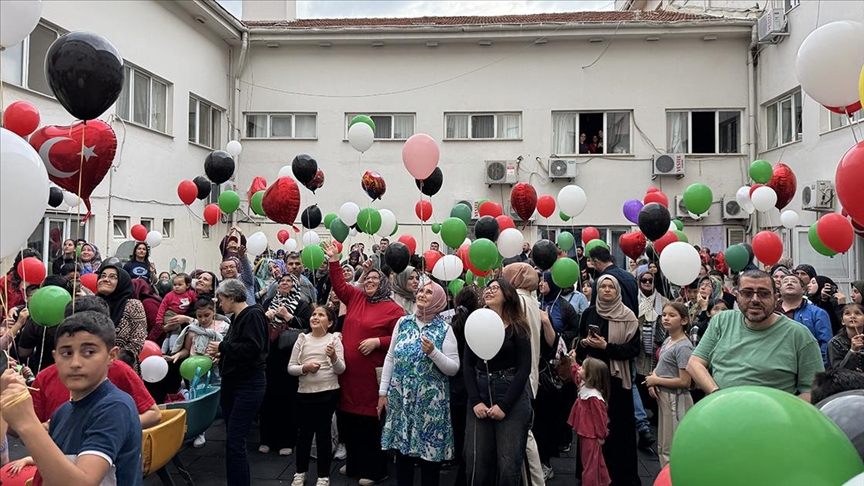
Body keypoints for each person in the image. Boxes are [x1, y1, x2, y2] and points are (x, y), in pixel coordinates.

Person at [1, 311, 143, 485]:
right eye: (67, 353)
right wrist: (7, 404)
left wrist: (27, 421)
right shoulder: (64, 410)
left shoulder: (115, 406)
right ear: (55, 357)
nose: (75, 363)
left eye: (89, 352)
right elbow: (43, 450)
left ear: (111, 355)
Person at [325, 241, 404, 486]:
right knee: (349, 420)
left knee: (370, 424)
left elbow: (400, 338)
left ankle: (375, 469)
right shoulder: (356, 297)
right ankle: (356, 463)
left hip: (372, 378)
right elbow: (339, 285)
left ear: (384, 283)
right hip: (348, 376)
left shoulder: (394, 310)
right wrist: (334, 260)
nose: (369, 282)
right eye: (367, 278)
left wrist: (378, 342)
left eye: (375, 279)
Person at [686, 270, 824, 403]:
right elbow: (694, 363)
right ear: (737, 297)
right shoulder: (722, 321)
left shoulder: (799, 335)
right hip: (722, 415)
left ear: (776, 298)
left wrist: (779, 413)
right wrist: (717, 395)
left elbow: (813, 391)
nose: (755, 300)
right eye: (747, 293)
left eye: (764, 294)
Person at [379, 280, 459, 486]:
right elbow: (390, 358)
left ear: (439, 299)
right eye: (421, 290)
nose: (422, 294)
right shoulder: (403, 323)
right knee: (403, 457)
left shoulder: (444, 329)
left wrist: (433, 353)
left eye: (429, 292)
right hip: (402, 399)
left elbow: (453, 368)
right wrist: (382, 392)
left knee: (429, 460)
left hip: (430, 405)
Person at [464, 278, 533, 486]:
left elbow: (524, 369)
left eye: (496, 288)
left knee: (508, 461)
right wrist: (475, 400)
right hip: (480, 391)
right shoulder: (475, 324)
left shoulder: (518, 327)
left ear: (507, 295)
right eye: (488, 288)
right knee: (476, 460)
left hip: (509, 392)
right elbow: (467, 365)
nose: (489, 291)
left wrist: (504, 405)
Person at [575, 274, 641, 486]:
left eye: (610, 287)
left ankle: (619, 475)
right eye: (602, 286)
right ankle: (589, 473)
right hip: (593, 380)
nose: (606, 290)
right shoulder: (589, 313)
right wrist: (585, 342)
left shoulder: (628, 316)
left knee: (617, 428)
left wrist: (607, 347)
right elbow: (578, 345)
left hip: (616, 381)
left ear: (617, 290)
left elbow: (633, 349)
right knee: (590, 429)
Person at [206, 279, 269, 486]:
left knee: (235, 441)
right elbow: (241, 348)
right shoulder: (239, 317)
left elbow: (253, 349)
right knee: (234, 441)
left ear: (232, 297)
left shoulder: (252, 315)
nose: (219, 303)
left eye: (222, 299)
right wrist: (223, 356)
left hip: (248, 384)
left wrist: (223, 348)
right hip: (236, 383)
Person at [288, 305, 345, 486]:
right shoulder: (302, 339)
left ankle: (323, 475)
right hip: (305, 393)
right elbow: (291, 368)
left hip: (328, 393)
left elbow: (341, 369)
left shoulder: (334, 340)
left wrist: (334, 357)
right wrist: (305, 368)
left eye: (321, 315)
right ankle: (300, 472)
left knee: (323, 435)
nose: (316, 317)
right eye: (314, 314)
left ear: (329, 323)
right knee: (303, 434)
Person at [501, 263, 547, 484]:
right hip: (530, 373)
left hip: (520, 374)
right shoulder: (531, 299)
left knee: (523, 435)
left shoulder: (517, 301)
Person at [260, 274, 312, 456]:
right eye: (281, 281)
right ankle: (267, 439)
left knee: (288, 399)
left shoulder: (301, 304)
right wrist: (265, 318)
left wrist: (288, 317)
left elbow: (309, 326)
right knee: (268, 398)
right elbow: (258, 327)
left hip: (290, 357)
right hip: (269, 357)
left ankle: (287, 440)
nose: (284, 284)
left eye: (289, 281)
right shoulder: (268, 303)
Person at [645, 302, 694, 467]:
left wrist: (655, 380)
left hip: (676, 399)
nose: (666, 318)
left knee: (672, 445)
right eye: (664, 314)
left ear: (684, 320)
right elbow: (660, 368)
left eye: (672, 315)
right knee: (664, 443)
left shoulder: (684, 347)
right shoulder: (668, 340)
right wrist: (653, 380)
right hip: (664, 397)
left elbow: (685, 381)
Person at [566, 357, 611, 486]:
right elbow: (576, 376)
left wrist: (601, 435)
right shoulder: (585, 386)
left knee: (590, 463)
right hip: (586, 432)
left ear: (591, 375)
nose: (580, 368)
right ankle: (600, 481)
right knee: (592, 461)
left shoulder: (594, 396)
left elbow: (600, 419)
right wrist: (573, 362)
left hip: (590, 434)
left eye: (583, 368)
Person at [95, 264, 148, 369]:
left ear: (122, 282)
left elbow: (137, 342)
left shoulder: (133, 305)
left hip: (121, 368)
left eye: (112, 277)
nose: (105, 279)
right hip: (92, 368)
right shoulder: (92, 303)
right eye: (103, 276)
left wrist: (111, 362)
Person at [779, 275, 832, 365]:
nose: (789, 283)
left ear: (803, 289)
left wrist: (819, 369)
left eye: (794, 281)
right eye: (785, 281)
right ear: (780, 289)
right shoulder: (771, 311)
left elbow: (826, 344)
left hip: (806, 365)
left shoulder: (818, 313)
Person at [588, 246, 638, 315]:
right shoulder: (629, 276)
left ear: (596, 262)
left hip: (611, 321)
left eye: (593, 264)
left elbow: (594, 310)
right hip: (631, 321)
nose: (595, 268)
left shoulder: (601, 282)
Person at [156, 273, 198, 354]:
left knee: (169, 333)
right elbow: (162, 308)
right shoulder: (169, 295)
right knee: (176, 327)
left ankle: (163, 351)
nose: (177, 287)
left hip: (180, 315)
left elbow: (197, 302)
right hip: (170, 314)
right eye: (175, 285)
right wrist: (159, 320)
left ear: (188, 285)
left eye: (180, 284)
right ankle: (173, 349)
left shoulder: (190, 293)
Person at [826, 303, 864, 371]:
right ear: (842, 321)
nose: (852, 316)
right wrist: (853, 351)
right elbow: (837, 372)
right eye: (847, 313)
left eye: (857, 313)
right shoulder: (835, 343)